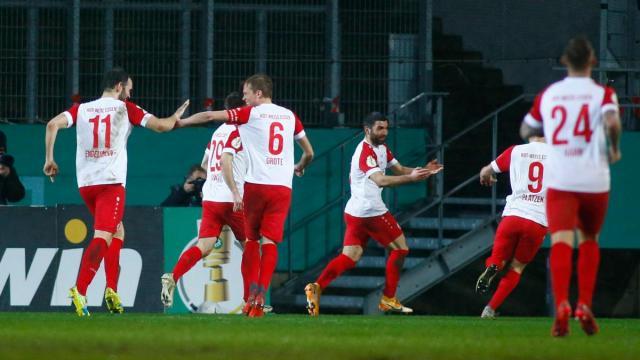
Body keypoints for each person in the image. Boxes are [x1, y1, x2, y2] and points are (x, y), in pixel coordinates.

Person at [43, 67, 189, 316]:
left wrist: (49, 159)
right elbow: (162, 127)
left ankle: (111, 290)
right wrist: (176, 117)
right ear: (120, 87)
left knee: (117, 230)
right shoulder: (125, 109)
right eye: (129, 89)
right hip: (110, 183)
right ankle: (80, 290)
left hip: (87, 184)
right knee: (103, 236)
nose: (130, 95)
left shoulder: (82, 108)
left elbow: (52, 124)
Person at [177, 74, 315, 317]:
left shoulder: (250, 114)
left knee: (251, 241)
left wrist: (180, 123)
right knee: (270, 243)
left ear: (258, 94)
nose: (244, 98)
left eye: (247, 93)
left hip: (255, 188)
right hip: (282, 188)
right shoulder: (290, 116)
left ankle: (250, 298)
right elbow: (309, 152)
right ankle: (259, 296)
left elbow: (210, 116)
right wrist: (300, 165)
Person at [519, 36, 622, 337]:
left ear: (565, 61)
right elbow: (613, 123)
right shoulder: (604, 93)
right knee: (590, 239)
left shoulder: (550, 94)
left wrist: (544, 128)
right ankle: (584, 305)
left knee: (561, 240)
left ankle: (562, 303)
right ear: (592, 61)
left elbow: (527, 128)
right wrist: (614, 148)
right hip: (594, 178)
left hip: (562, 179)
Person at [304, 112, 443, 316]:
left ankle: (316, 288)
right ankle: (388, 298)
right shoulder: (365, 152)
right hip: (371, 211)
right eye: (380, 128)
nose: (384, 132)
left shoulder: (382, 149)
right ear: (367, 130)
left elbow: (400, 169)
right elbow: (381, 180)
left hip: (355, 212)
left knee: (350, 257)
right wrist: (412, 179)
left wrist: (422, 171)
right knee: (401, 249)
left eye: (386, 128)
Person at [161, 91, 252, 310]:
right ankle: (251, 301)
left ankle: (173, 276)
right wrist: (236, 191)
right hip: (230, 197)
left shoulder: (218, 132)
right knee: (251, 246)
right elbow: (225, 162)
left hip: (211, 196)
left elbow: (204, 163)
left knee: (204, 246)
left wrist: (208, 183)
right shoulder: (241, 130)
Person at [475, 137, 550, 319]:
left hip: (513, 215)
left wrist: (487, 176)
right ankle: (490, 309)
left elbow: (486, 171)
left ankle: (492, 267)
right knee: (516, 267)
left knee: (498, 260)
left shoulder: (516, 150)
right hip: (537, 220)